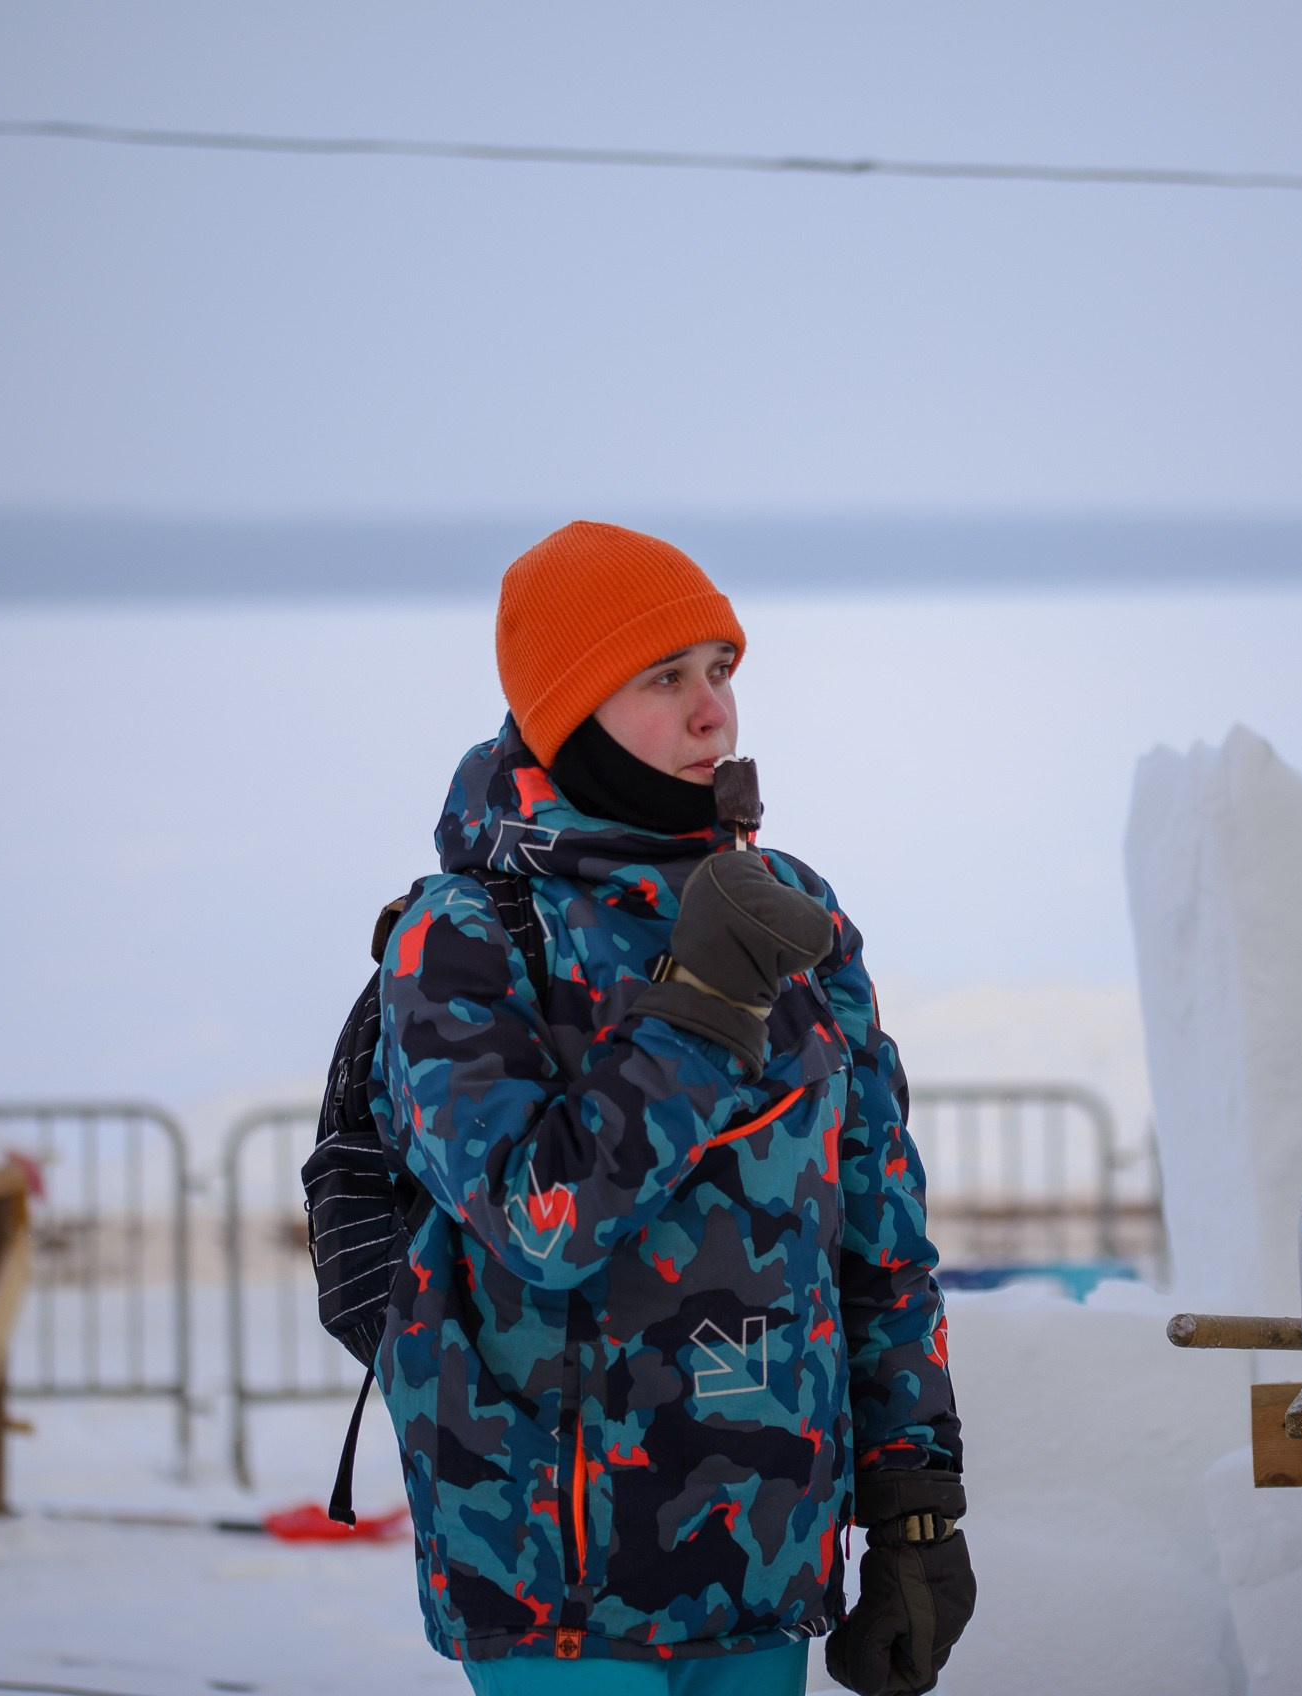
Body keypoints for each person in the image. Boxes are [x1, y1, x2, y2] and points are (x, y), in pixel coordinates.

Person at [374, 521, 973, 1696]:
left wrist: (915, 1505)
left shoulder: (789, 907)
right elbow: (541, 1221)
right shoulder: (466, 934)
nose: (714, 712)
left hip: (764, 1561)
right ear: (567, 711)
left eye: (721, 671)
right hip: (558, 1593)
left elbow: (880, 1239)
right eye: (664, 678)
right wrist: (698, 1005)